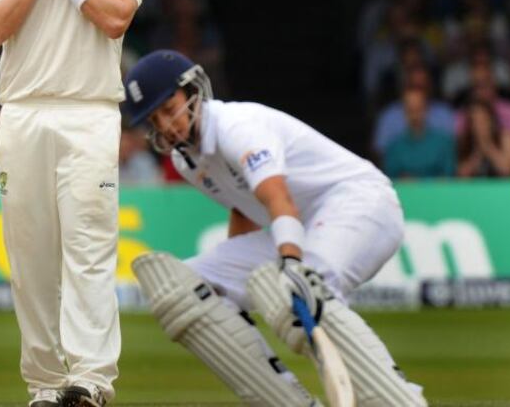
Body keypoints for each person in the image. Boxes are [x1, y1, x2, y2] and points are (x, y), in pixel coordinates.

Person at [124, 50, 427, 406]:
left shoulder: (237, 126)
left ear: (191, 90)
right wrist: (230, 291)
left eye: (168, 107)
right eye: (154, 120)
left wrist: (291, 262)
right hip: (304, 225)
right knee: (182, 288)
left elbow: (278, 197)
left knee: (299, 289)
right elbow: (242, 210)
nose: (166, 125)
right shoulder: (187, 160)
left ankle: (400, 401)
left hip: (361, 204)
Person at [0, 0, 146, 407]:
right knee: (29, 258)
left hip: (89, 113)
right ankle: (46, 384)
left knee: (89, 248)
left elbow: (116, 19)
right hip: (21, 115)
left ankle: (92, 379)